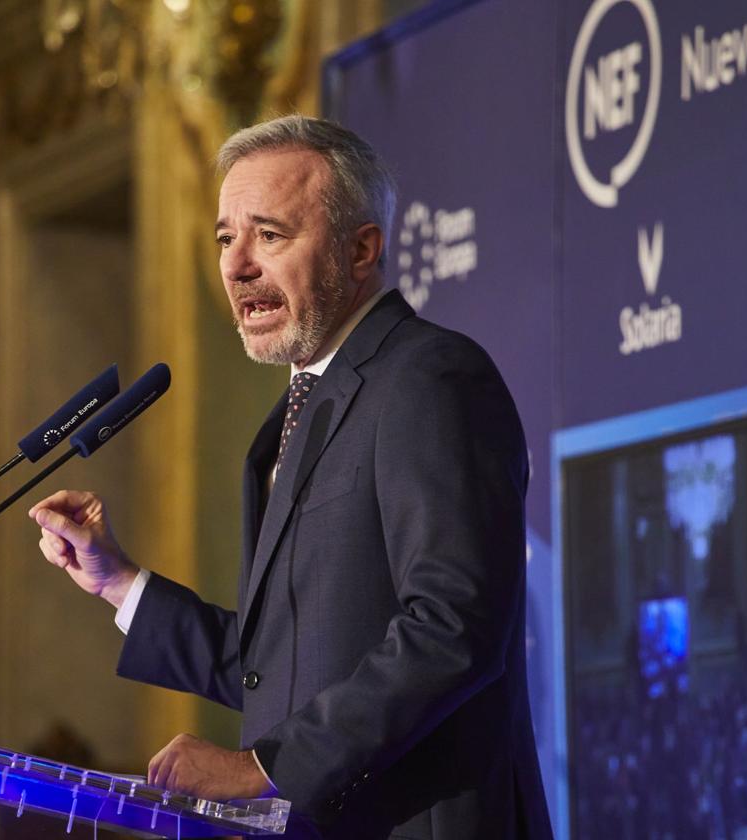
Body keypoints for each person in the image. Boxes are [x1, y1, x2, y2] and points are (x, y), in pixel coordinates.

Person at [28, 116, 553, 838]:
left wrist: (264, 767)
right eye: (224, 239)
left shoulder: (430, 379)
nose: (236, 266)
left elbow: (454, 628)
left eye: (268, 236)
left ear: (361, 249)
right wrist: (118, 581)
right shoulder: (298, 412)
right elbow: (272, 663)